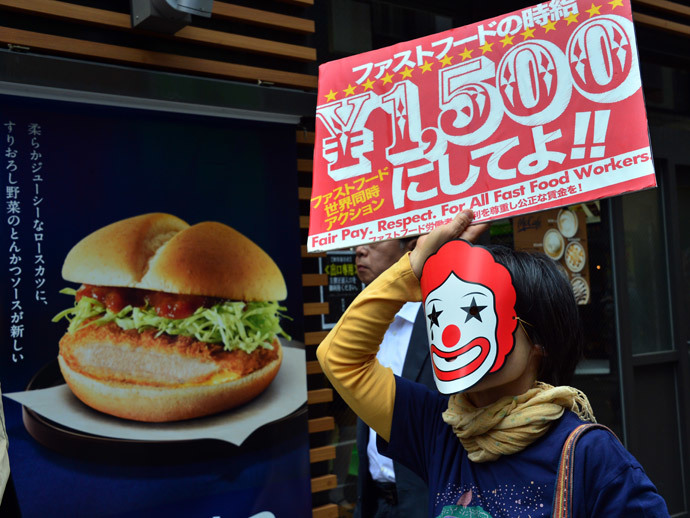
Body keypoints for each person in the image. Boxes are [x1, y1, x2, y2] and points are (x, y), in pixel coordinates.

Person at [317, 210, 669, 517]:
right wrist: (413, 270)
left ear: (540, 341)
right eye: (439, 315)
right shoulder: (437, 428)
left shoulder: (590, 455)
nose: (451, 335)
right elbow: (340, 358)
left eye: (476, 313)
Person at [353, 237, 436, 517]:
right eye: (357, 242)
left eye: (373, 240)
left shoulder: (440, 323)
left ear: (409, 247)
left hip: (428, 502)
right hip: (376, 503)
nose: (359, 250)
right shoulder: (365, 330)